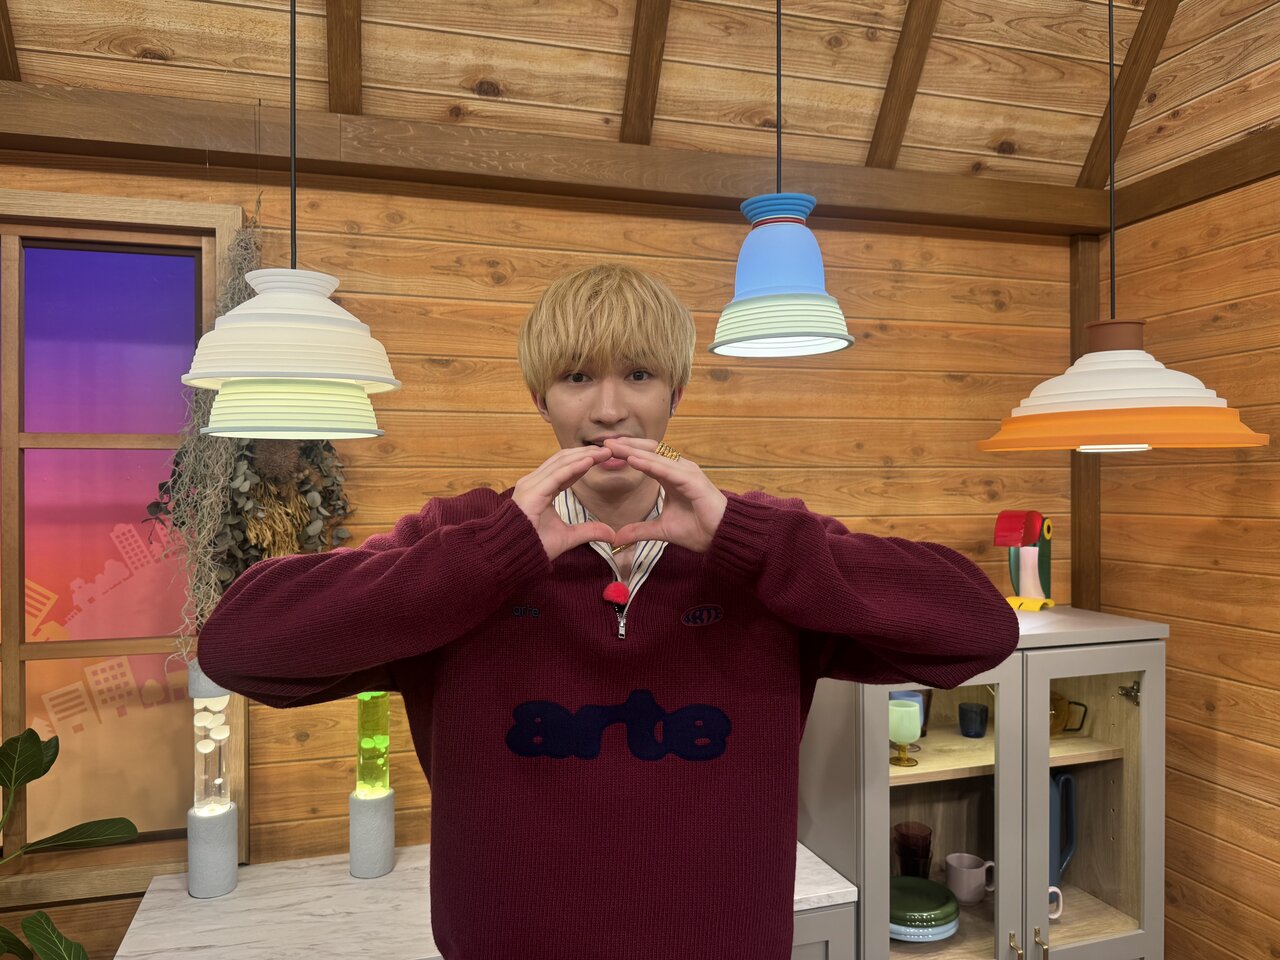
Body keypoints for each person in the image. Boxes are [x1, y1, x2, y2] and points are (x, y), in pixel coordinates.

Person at [197, 262, 1020, 960]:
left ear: (676, 392)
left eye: (639, 375)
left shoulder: (761, 548)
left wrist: (750, 542)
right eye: (577, 377)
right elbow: (241, 646)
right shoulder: (461, 541)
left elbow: (978, 629)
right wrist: (491, 557)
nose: (609, 410)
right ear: (541, 397)